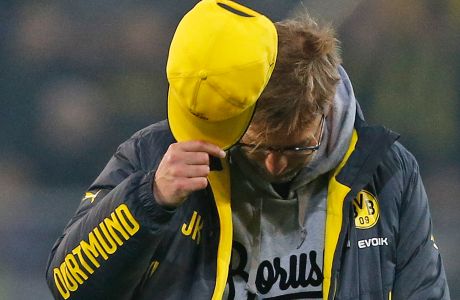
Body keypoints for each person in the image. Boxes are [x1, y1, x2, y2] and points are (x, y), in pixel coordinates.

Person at [46, 1, 451, 300]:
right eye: (257, 147)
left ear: (325, 109)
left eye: (295, 147)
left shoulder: (386, 170)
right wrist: (145, 200)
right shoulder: (157, 157)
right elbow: (66, 284)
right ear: (236, 112)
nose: (274, 163)